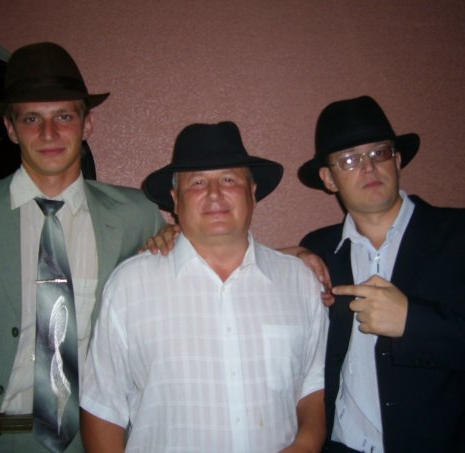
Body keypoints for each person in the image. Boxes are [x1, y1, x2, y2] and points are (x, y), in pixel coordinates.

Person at [0, 42, 166, 453]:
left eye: (63, 116)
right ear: (10, 128)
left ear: (87, 124)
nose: (48, 133)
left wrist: (178, 239)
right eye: (31, 119)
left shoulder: (137, 216)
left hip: (88, 441)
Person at [297, 95, 465, 452]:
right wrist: (289, 254)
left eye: (379, 153)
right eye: (349, 160)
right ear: (329, 178)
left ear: (396, 160)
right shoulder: (318, 249)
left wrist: (414, 323)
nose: (368, 167)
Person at [80, 121, 329, 452]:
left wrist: (307, 445)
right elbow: (103, 406)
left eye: (229, 179)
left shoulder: (299, 281)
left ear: (253, 192)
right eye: (197, 182)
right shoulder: (129, 286)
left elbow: (312, 383)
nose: (214, 194)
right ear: (175, 199)